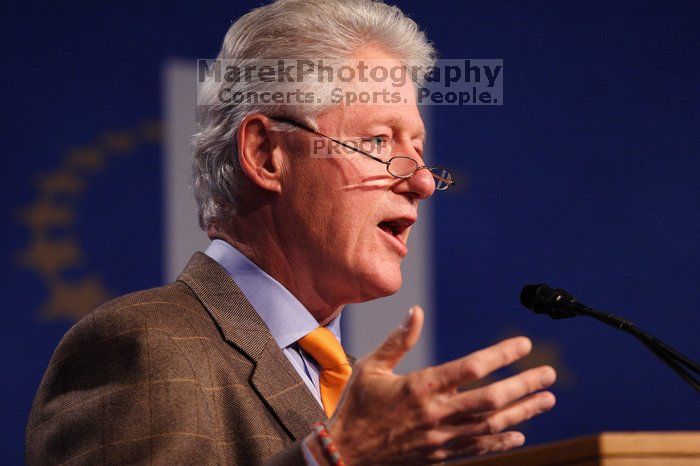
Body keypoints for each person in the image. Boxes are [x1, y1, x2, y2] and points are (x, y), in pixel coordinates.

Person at [26, 0, 556, 464]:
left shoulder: (356, 399)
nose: (419, 180)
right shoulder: (144, 345)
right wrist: (336, 459)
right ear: (265, 155)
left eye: (418, 151)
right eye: (378, 142)